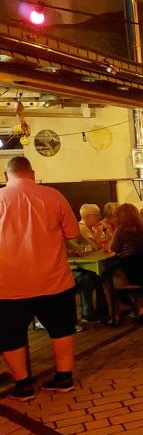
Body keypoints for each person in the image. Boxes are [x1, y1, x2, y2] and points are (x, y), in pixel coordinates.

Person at [0, 156, 81, 399]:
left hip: (9, 285)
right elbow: (72, 233)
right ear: (33, 174)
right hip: (54, 281)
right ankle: (64, 377)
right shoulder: (53, 196)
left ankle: (23, 385)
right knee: (61, 329)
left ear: (5, 175)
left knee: (10, 336)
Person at [108, 202, 143, 323]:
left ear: (121, 216)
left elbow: (113, 249)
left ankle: (116, 313)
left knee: (109, 276)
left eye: (116, 215)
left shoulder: (122, 229)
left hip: (133, 268)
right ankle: (141, 307)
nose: (115, 218)